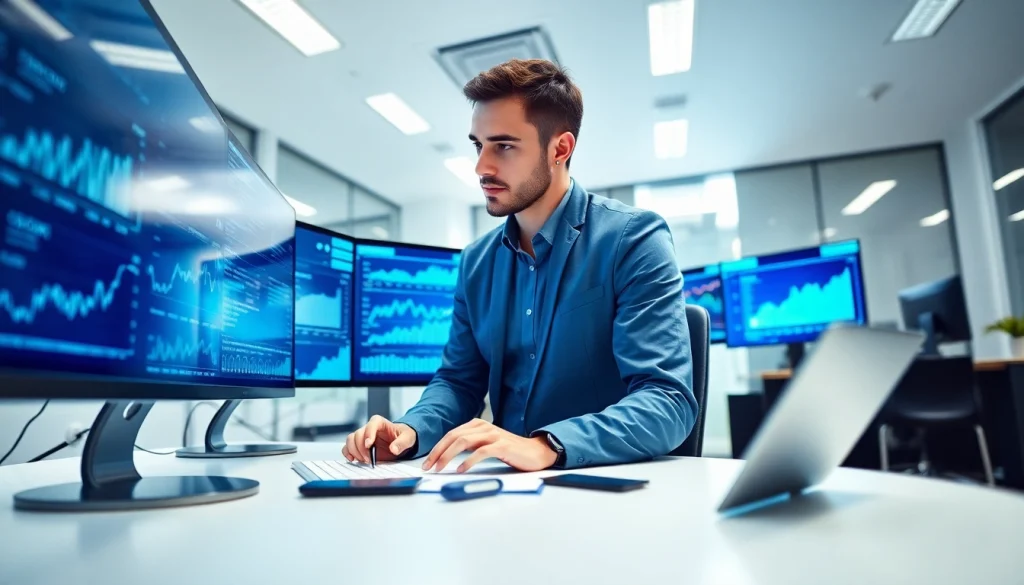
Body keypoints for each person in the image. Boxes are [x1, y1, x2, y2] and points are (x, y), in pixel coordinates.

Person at [342, 58, 697, 473]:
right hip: (506, 489)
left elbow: (667, 400)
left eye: (504, 146)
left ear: (560, 149)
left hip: (605, 485)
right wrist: (411, 432)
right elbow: (459, 382)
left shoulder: (634, 240)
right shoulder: (476, 262)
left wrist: (548, 444)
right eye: (478, 145)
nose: (481, 167)